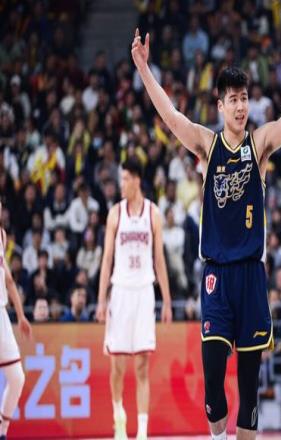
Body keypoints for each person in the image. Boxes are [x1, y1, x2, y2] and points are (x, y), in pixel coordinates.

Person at [132, 16, 281, 440]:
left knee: (249, 390)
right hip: (217, 276)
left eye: (244, 98)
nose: (240, 106)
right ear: (220, 106)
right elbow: (171, 116)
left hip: (251, 276)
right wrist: (143, 68)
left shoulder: (260, 144)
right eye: (233, 99)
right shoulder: (207, 144)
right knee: (214, 385)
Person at [96, 157, 173, 440]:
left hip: (143, 292)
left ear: (137, 180)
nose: (122, 184)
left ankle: (141, 433)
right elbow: (106, 259)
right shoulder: (115, 214)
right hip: (120, 292)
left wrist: (167, 301)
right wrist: (101, 299)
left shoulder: (153, 213)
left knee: (142, 365)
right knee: (117, 366)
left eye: (126, 179)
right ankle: (119, 415)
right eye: (121, 179)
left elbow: (159, 260)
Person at [0, 202, 32, 439]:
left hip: (1, 313)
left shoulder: (1, 235)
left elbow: (9, 279)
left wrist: (20, 315)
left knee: (17, 378)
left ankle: (2, 430)